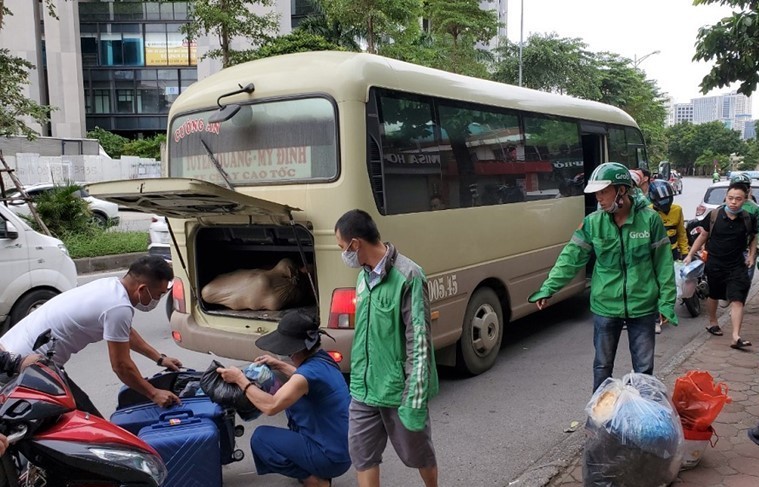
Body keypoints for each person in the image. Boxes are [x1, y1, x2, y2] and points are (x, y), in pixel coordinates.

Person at [529, 163, 677, 392]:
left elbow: (663, 263)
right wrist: (549, 287)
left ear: (622, 190)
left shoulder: (650, 220)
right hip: (605, 306)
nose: (599, 198)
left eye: (604, 192)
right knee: (602, 366)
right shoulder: (593, 223)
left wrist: (666, 303)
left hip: (643, 305)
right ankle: (599, 419)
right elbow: (571, 257)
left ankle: (644, 419)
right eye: (596, 193)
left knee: (644, 370)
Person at [0, 256, 182, 417]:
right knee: (86, 424)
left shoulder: (110, 287)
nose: (157, 300)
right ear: (142, 289)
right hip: (25, 368)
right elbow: (121, 366)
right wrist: (153, 393)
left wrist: (159, 358)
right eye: (159, 294)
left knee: (80, 418)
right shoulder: (118, 307)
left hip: (11, 351)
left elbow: (124, 333)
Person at [334, 209, 438, 487]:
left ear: (356, 244)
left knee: (418, 453)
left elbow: (419, 343)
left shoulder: (409, 276)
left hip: (398, 390)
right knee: (363, 456)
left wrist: (414, 398)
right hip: (363, 387)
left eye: (343, 248)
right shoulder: (363, 277)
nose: (343, 254)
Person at [216, 311, 351, 487]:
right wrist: (278, 364)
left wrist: (239, 379)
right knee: (296, 409)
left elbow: (271, 406)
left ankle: (315, 480)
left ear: (292, 348)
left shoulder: (307, 375)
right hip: (346, 450)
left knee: (260, 438)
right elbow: (303, 378)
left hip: (330, 457)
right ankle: (316, 469)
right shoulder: (323, 360)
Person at [684, 180, 757, 350]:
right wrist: (689, 255)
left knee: (738, 299)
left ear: (744, 200)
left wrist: (752, 256)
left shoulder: (748, 218)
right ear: (726, 197)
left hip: (737, 265)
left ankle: (736, 336)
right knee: (714, 295)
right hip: (715, 263)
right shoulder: (715, 215)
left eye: (738, 199)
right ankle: (713, 322)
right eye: (730, 198)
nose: (733, 202)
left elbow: (753, 238)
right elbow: (703, 236)